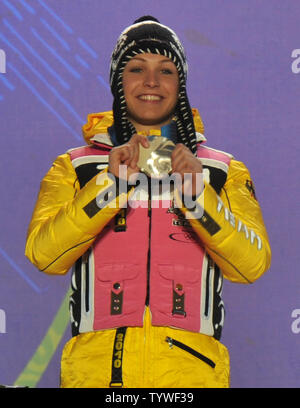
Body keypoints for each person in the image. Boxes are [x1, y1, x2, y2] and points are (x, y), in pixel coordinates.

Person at [25, 16, 271, 388]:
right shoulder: (76, 165)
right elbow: (44, 254)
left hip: (191, 379)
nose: (151, 82)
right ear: (117, 80)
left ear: (181, 83)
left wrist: (196, 197)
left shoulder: (221, 170)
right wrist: (111, 186)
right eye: (136, 68)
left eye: (166, 70)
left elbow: (252, 266)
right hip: (97, 377)